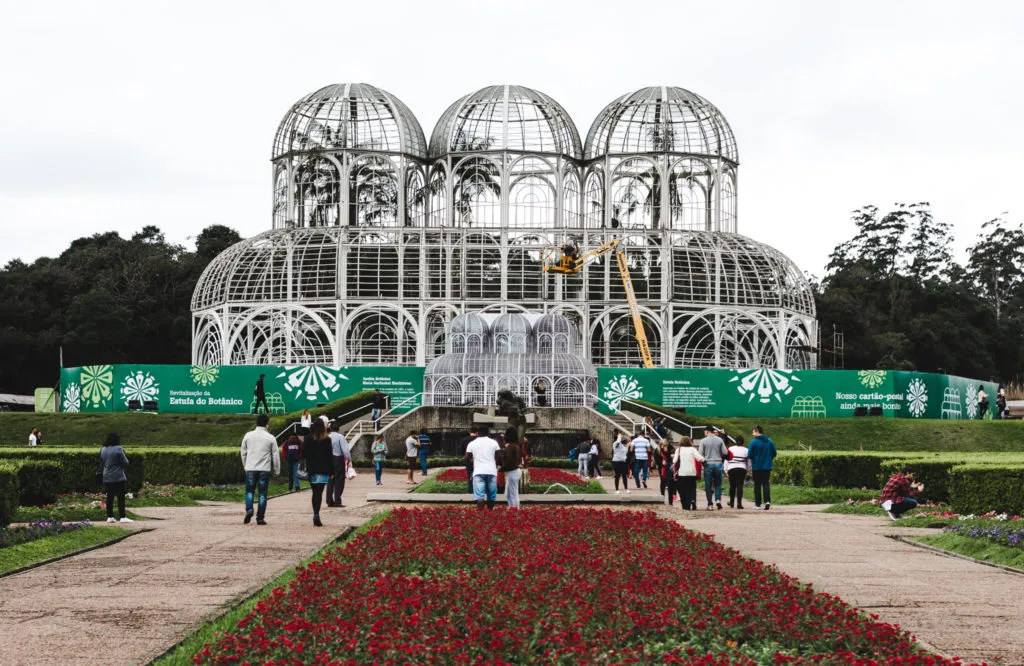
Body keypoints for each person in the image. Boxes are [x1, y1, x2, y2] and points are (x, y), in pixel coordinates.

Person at [240, 413, 280, 525]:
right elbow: (275, 456)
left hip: (251, 468)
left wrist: (245, 466)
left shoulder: (248, 435)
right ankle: (260, 518)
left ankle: (249, 510)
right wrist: (277, 470)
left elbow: (243, 453)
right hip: (264, 469)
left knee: (249, 491)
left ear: (256, 423)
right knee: (262, 494)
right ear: (267, 425)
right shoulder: (271, 438)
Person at [303, 419, 333, 527]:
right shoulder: (327, 439)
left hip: (312, 469)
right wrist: (331, 471)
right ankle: (317, 513)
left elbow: (304, 454)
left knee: (314, 491)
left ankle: (315, 513)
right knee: (319, 492)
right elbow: (330, 457)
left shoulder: (307, 439)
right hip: (323, 469)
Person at [466, 425, 501, 509]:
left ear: (478, 433)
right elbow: (499, 456)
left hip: (478, 471)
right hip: (491, 471)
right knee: (491, 496)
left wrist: (472, 462)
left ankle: (482, 517)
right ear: (488, 432)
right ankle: (490, 513)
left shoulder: (472, 443)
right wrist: (494, 463)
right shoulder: (494, 442)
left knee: (480, 497)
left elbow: (466, 457)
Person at [100, 432, 132, 523]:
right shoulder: (118, 449)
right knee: (120, 497)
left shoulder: (103, 449)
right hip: (118, 476)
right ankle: (122, 516)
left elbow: (102, 462)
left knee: (109, 497)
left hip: (106, 476)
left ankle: (110, 516)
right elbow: (125, 463)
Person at [698, 426, 729, 510]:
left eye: (704, 431)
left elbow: (700, 454)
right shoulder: (719, 440)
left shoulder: (703, 441)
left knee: (708, 484)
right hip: (718, 463)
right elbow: (725, 452)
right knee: (718, 484)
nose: (704, 433)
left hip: (708, 464)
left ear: (707, 431)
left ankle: (710, 504)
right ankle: (718, 500)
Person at [747, 425, 777, 510]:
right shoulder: (769, 441)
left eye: (753, 432)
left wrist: (755, 458)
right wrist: (768, 458)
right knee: (766, 484)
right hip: (767, 466)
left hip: (756, 466)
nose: (752, 433)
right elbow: (774, 453)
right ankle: (767, 501)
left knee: (757, 485)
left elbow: (749, 455)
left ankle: (758, 504)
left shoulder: (753, 442)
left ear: (757, 431)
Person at [673, 436, 705, 511]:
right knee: (690, 490)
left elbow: (674, 461)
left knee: (682, 490)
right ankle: (688, 504)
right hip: (691, 473)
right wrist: (705, 460)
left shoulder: (679, 450)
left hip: (682, 473)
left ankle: (684, 505)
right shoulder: (693, 449)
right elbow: (699, 458)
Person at [327, 422, 351, 507]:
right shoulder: (340, 437)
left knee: (330, 480)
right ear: (338, 429)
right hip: (338, 459)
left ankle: (329, 501)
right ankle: (337, 501)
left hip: (328, 460)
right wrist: (349, 459)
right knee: (339, 480)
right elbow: (345, 450)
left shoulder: (327, 436)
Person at [500, 427, 524, 509]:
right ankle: (512, 507)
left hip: (512, 472)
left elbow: (509, 461)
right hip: (514, 471)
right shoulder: (515, 446)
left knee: (513, 493)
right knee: (508, 493)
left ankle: (515, 508)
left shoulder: (510, 447)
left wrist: (501, 469)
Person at [725, 435, 750, 509]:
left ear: (735, 441)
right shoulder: (746, 450)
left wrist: (725, 469)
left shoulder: (730, 448)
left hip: (731, 468)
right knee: (740, 486)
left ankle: (731, 502)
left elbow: (726, 459)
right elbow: (748, 462)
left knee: (732, 486)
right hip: (742, 468)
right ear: (743, 442)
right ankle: (739, 503)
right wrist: (749, 472)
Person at [657, 440, 677, 505]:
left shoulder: (670, 449)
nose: (666, 448)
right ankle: (662, 497)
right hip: (662, 469)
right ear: (660, 446)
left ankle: (670, 501)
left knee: (670, 484)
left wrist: (672, 456)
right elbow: (657, 462)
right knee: (663, 482)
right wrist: (662, 463)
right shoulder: (657, 451)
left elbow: (674, 458)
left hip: (669, 468)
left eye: (666, 446)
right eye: (664, 446)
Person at [460, 425, 479, 493]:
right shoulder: (479, 439)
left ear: (470, 432)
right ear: (477, 432)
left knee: (470, 477)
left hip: (468, 461)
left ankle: (471, 491)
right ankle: (478, 491)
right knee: (479, 478)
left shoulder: (464, 440)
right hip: (478, 461)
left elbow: (462, 452)